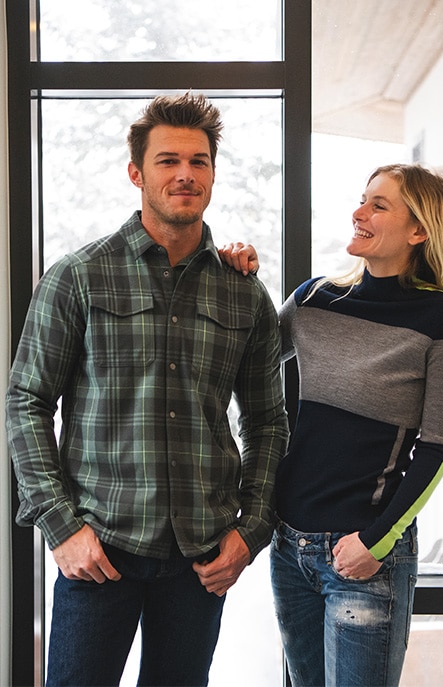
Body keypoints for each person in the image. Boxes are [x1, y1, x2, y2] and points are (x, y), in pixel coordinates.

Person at [6, 92, 289, 687]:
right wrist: (61, 527)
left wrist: (252, 528)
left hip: (203, 560)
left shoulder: (244, 293)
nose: (185, 174)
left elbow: (267, 422)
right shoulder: (77, 276)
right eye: (167, 161)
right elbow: (26, 400)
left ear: (212, 172)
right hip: (99, 550)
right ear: (137, 172)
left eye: (199, 161)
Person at [220, 163, 443, 686]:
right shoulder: (315, 299)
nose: (359, 213)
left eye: (378, 205)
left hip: (364, 556)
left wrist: (376, 542)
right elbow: (247, 358)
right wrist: (236, 279)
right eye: (362, 199)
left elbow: (436, 449)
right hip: (291, 547)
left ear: (419, 230)